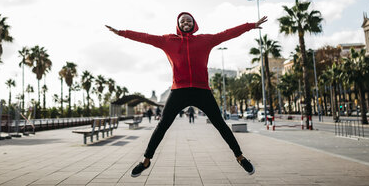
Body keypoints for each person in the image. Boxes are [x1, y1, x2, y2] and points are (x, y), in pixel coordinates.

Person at [106, 12, 267, 177]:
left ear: (194, 23)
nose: (186, 22)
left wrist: (251, 26)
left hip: (202, 90)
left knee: (220, 123)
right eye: (182, 21)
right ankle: (146, 161)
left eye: (189, 20)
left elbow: (227, 34)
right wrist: (121, 33)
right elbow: (145, 37)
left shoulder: (206, 40)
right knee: (163, 125)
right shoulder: (168, 41)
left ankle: (240, 157)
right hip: (179, 90)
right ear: (178, 24)